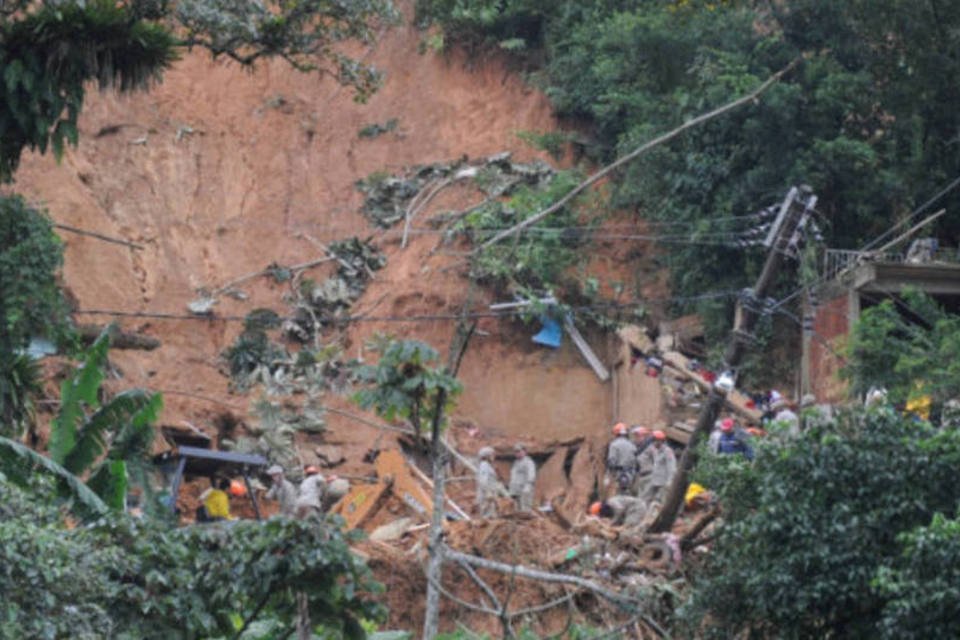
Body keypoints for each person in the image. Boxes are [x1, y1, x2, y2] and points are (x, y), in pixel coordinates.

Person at [639, 430, 676, 504]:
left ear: (660, 441)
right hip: (655, 480)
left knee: (661, 501)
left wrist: (669, 481)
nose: (653, 443)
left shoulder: (667, 451)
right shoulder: (656, 450)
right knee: (644, 498)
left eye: (655, 441)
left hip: (663, 482)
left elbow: (671, 467)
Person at [606, 423, 637, 494]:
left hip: (619, 474)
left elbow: (611, 462)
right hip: (630, 474)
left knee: (618, 495)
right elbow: (635, 460)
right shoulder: (632, 445)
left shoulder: (614, 445)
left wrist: (609, 475)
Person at [509, 442, 536, 512]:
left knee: (525, 509)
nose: (517, 453)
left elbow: (531, 475)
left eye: (519, 451)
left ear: (524, 451)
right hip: (516, 490)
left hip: (524, 489)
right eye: (515, 452)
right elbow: (513, 476)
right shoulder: (515, 463)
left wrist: (528, 486)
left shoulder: (528, 462)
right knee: (517, 509)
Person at [475, 446, 499, 518]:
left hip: (489, 496)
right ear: (487, 456)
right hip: (486, 496)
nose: (493, 456)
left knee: (490, 515)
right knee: (488, 516)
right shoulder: (484, 465)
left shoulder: (487, 465)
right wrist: (488, 492)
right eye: (492, 454)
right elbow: (483, 480)